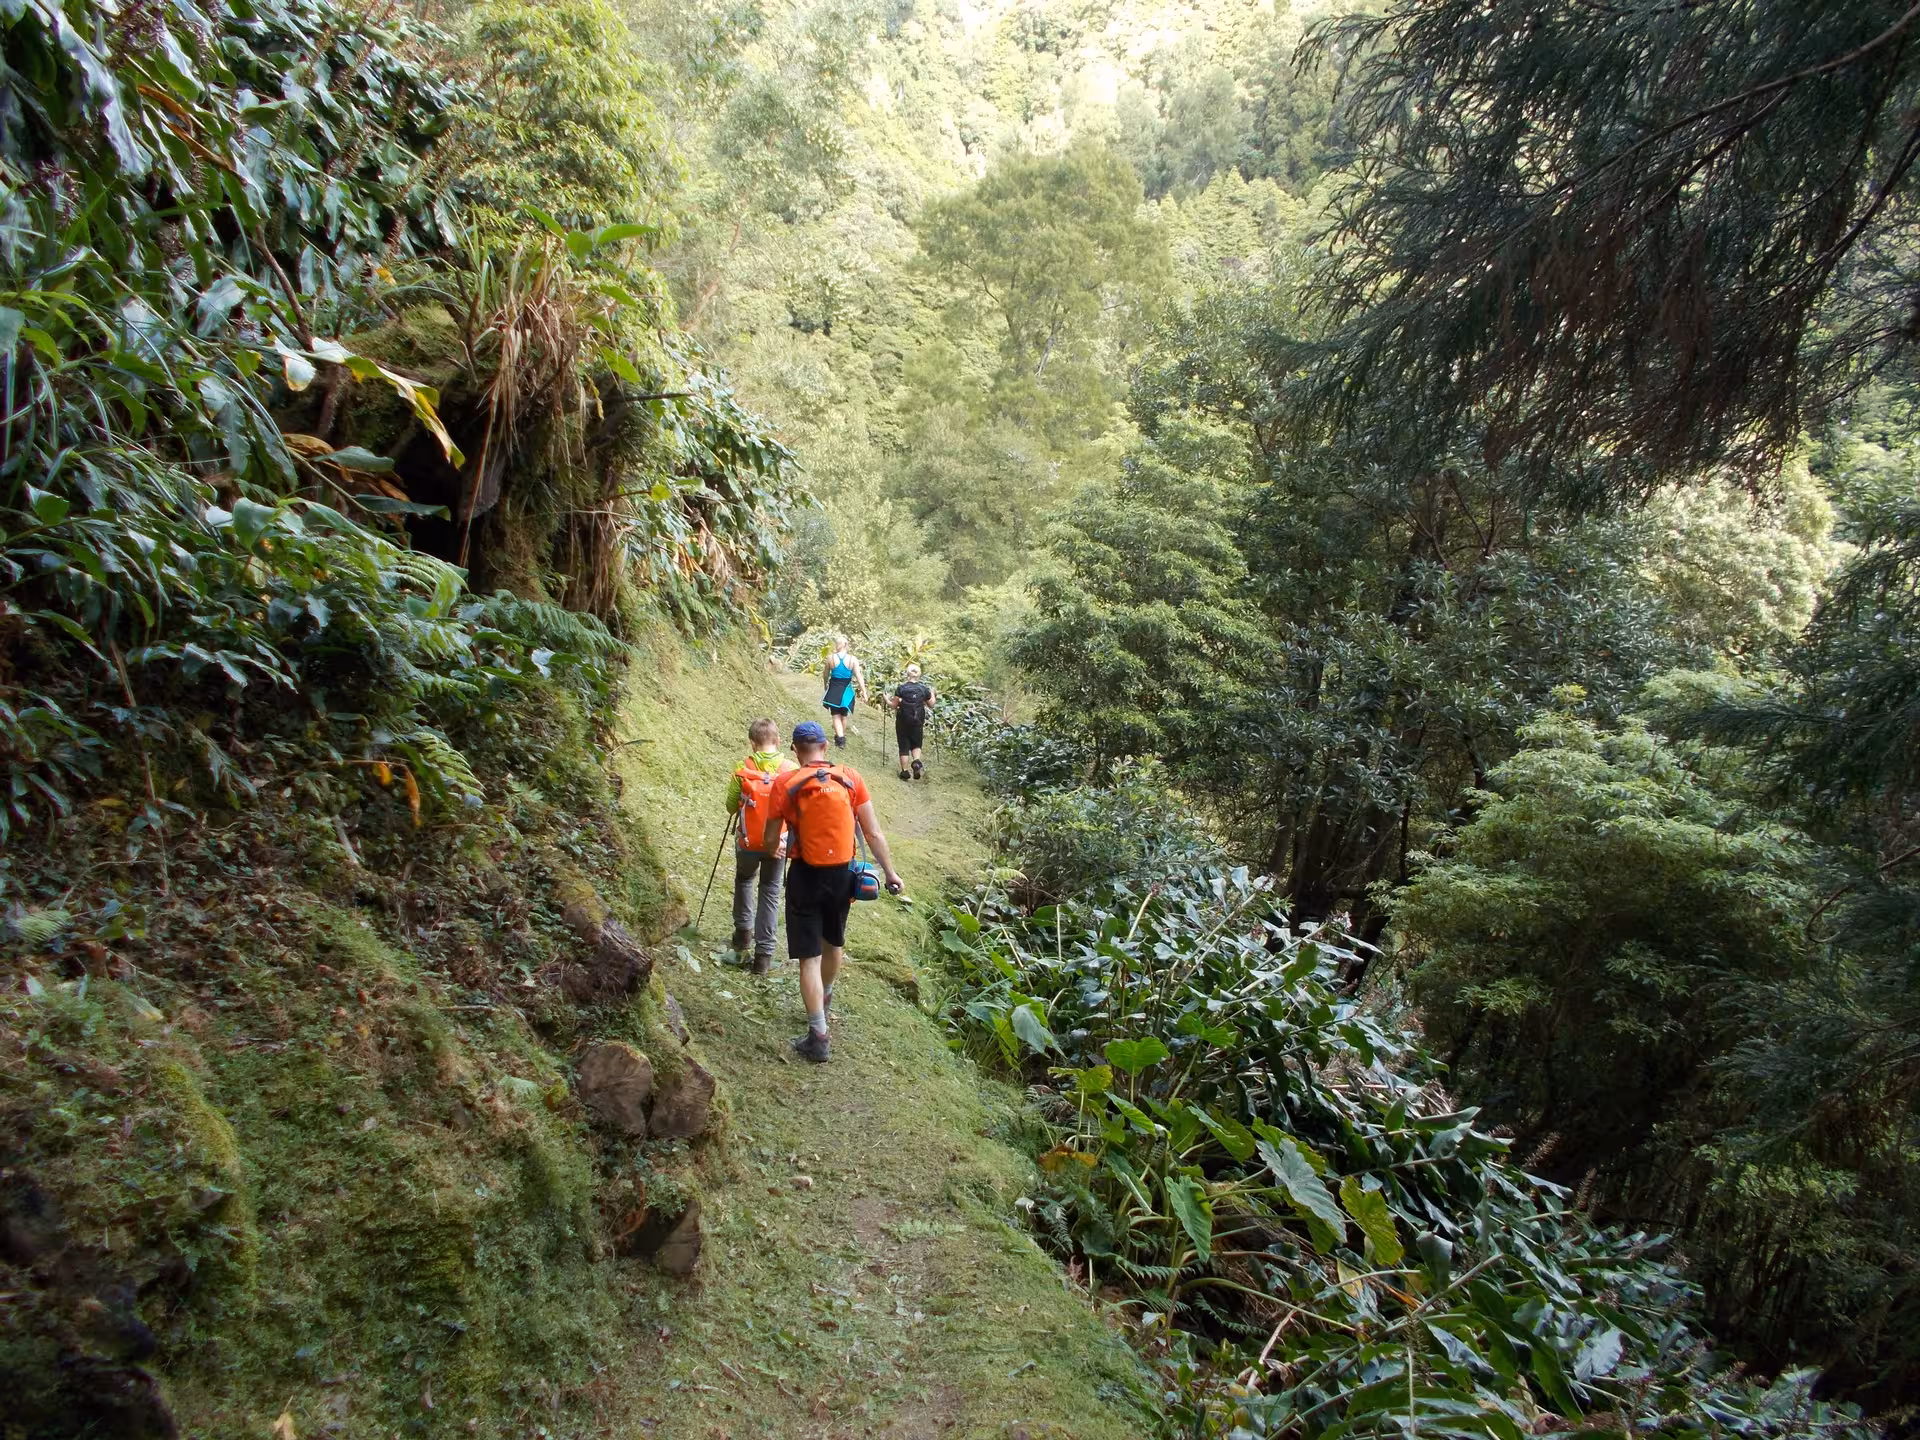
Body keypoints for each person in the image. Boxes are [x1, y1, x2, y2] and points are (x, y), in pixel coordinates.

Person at [755, 720, 903, 1063]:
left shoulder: (786, 782)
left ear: (795, 750)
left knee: (809, 956)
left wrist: (772, 848)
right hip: (843, 875)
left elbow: (770, 836)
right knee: (833, 941)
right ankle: (826, 998)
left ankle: (818, 1036)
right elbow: (874, 833)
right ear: (826, 747)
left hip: (805, 875)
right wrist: (892, 873)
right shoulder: (849, 777)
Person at [726, 717, 793, 974]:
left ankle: (743, 934)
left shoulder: (742, 768)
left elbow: (731, 806)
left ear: (752, 743)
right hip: (778, 844)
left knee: (744, 880)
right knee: (770, 890)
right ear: (777, 740)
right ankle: (763, 956)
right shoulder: (790, 769)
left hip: (748, 843)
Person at [886, 663, 936, 781]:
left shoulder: (901, 688)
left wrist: (886, 699)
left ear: (907, 674)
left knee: (903, 744)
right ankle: (916, 762)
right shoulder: (923, 689)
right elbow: (931, 704)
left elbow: (894, 705)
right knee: (916, 743)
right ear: (919, 675)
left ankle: (904, 771)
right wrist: (933, 694)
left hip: (903, 720)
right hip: (917, 721)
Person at [819, 635, 867, 748]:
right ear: (846, 645)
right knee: (844, 715)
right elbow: (859, 676)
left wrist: (825, 685)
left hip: (834, 688)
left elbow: (825, 675)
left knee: (835, 715)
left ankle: (840, 738)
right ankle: (840, 736)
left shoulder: (830, 658)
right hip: (847, 690)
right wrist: (864, 691)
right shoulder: (852, 659)